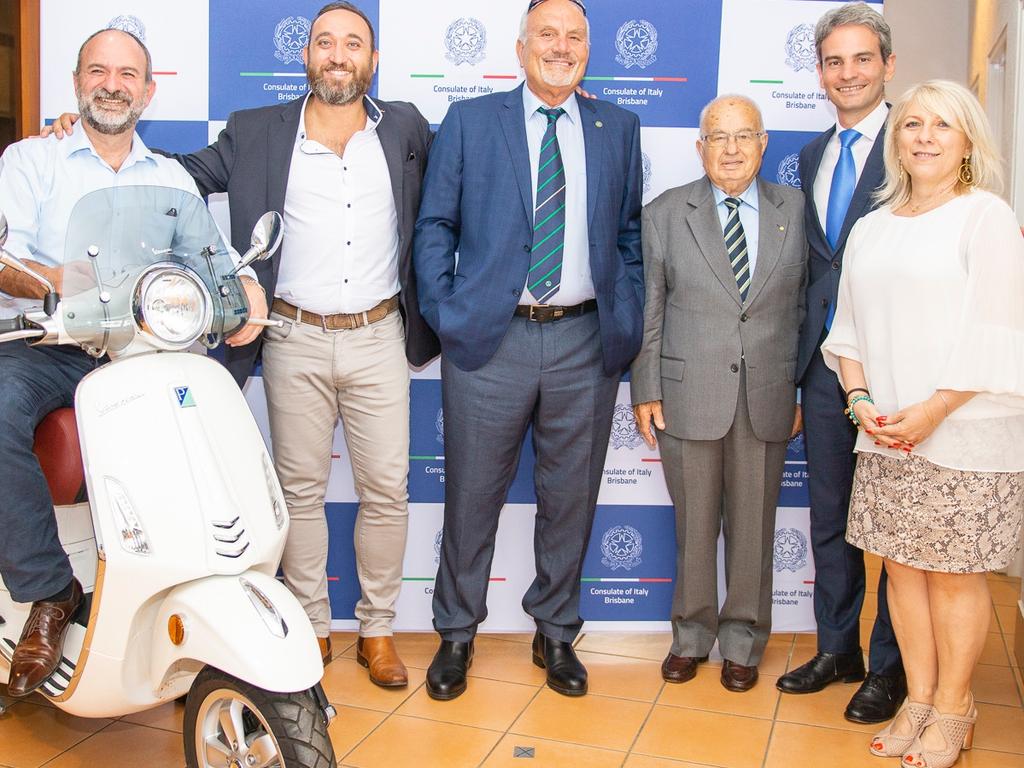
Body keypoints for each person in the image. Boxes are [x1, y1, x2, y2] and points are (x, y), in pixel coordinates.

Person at [47, 1, 438, 684]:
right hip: (290, 335)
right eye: (325, 43)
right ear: (306, 56)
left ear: (373, 61)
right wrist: (87, 129)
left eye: (353, 44)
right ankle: (313, 625)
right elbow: (172, 173)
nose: (338, 55)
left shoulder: (407, 128)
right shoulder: (257, 130)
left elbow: (460, 184)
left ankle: (378, 630)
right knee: (300, 491)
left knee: (387, 492)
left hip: (380, 335)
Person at [0, 28, 266, 698]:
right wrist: (57, 288)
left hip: (144, 355)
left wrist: (242, 291)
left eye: (127, 74)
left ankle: (195, 586)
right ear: (78, 82)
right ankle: (48, 589)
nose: (111, 84)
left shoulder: (170, 178)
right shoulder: (34, 160)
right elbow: (8, 256)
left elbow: (205, 262)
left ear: (148, 90)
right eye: (98, 70)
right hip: (52, 346)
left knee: (210, 419)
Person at [413, 0, 643, 701]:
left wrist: (624, 318)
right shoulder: (470, 122)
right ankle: (456, 634)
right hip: (491, 338)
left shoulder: (618, 128)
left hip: (583, 339)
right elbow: (435, 227)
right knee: (471, 498)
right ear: (520, 49)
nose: (561, 47)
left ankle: (556, 633)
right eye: (548, 34)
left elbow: (629, 234)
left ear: (588, 52)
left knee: (570, 498)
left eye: (575, 37)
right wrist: (449, 314)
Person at [822, 78, 1024, 768]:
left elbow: (998, 332)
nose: (926, 136)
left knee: (954, 575)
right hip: (884, 433)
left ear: (968, 141)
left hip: (964, 433)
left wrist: (933, 410)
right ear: (896, 140)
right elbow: (845, 334)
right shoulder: (872, 227)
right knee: (900, 572)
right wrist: (861, 404)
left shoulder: (985, 216)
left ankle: (956, 706)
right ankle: (920, 699)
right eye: (912, 124)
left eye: (943, 124)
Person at [631, 95, 805, 692]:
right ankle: (691, 637)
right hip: (687, 394)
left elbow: (804, 309)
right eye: (718, 137)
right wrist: (645, 388)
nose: (731, 149)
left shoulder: (796, 211)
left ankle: (743, 642)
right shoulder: (663, 214)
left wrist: (801, 388)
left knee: (755, 529)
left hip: (770, 395)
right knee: (695, 527)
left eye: (743, 136)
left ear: (763, 144)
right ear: (699, 147)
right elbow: (648, 312)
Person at [777, 1, 905, 723]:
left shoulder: (917, 144)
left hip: (896, 368)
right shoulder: (807, 154)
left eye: (862, 58)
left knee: (890, 525)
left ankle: (889, 666)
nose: (847, 72)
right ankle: (838, 647)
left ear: (888, 65)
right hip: (824, 367)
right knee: (830, 517)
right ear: (819, 72)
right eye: (834, 60)